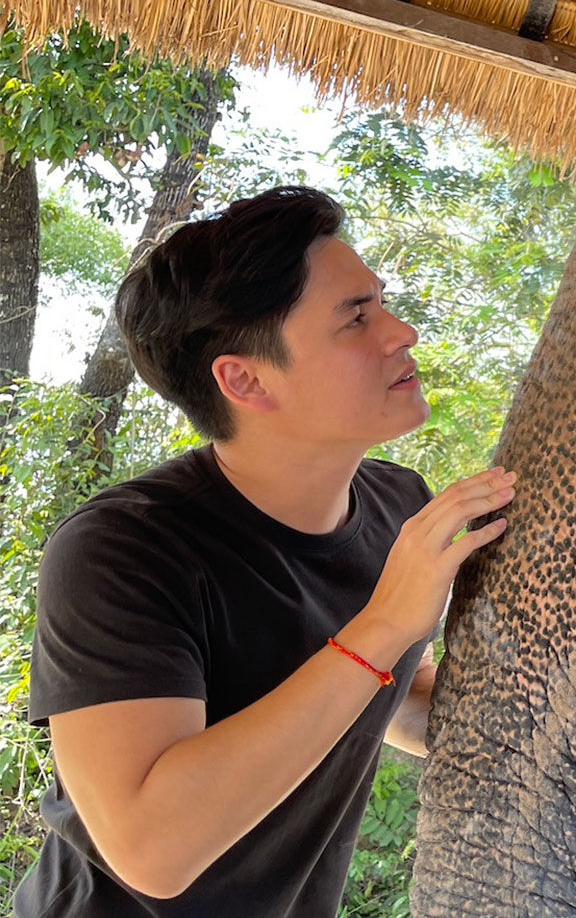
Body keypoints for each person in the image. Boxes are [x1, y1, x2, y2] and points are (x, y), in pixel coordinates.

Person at [12, 186, 515, 916]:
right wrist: (384, 623)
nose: (401, 331)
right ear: (244, 378)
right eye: (356, 318)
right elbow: (152, 847)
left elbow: (395, 692)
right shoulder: (122, 549)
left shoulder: (396, 503)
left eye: (382, 302)